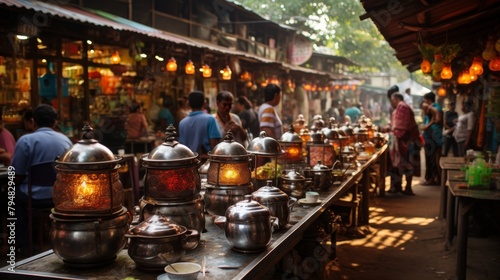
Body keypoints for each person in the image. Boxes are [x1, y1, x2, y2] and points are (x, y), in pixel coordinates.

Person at [11, 104, 73, 255]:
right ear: (55, 122)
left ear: (33, 121)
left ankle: (23, 244)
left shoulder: (26, 141)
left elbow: (15, 175)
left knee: (12, 196)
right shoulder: (65, 141)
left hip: (34, 197)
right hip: (60, 197)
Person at [386, 92, 421, 195]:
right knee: (401, 165)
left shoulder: (402, 107)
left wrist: (392, 133)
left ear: (396, 99)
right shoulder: (400, 108)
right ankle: (398, 187)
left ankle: (408, 188)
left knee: (408, 165)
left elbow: (401, 128)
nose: (391, 103)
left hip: (408, 141)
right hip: (404, 141)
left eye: (392, 101)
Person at [178, 91, 221, 157]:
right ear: (204, 103)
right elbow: (214, 143)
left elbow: (182, 146)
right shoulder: (210, 119)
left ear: (188, 103)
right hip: (206, 161)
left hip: (189, 161)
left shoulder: (182, 123)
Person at [422, 92, 443, 185]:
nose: (424, 102)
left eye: (425, 100)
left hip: (433, 135)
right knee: (431, 157)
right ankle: (432, 178)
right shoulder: (431, 108)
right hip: (430, 135)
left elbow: (438, 119)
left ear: (429, 100)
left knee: (432, 158)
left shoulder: (435, 108)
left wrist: (430, 124)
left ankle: (432, 178)